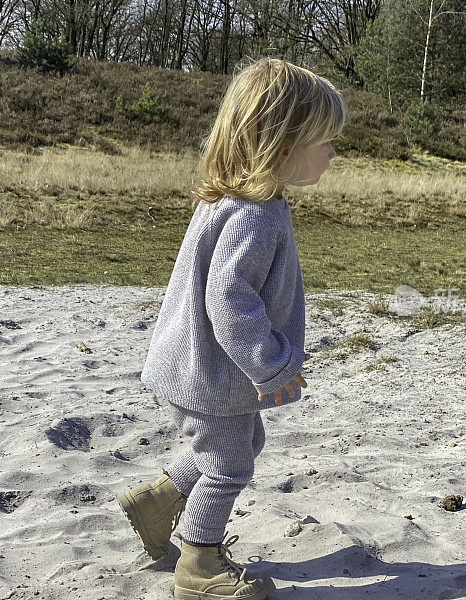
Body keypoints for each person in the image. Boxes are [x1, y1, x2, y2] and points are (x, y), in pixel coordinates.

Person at [117, 56, 346, 600]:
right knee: (229, 464)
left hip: (197, 366)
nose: (336, 152)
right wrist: (271, 365)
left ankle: (156, 502)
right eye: (327, 139)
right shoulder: (254, 215)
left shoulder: (241, 200)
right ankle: (199, 564)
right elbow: (229, 301)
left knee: (244, 441)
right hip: (212, 373)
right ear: (282, 142)